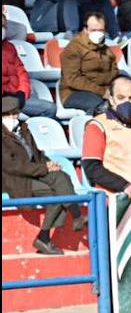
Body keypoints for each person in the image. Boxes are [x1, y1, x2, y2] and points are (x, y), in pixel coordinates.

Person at [2, 95, 85, 255]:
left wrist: (49, 164)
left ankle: (75, 217)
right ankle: (46, 236)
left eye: (15, 113)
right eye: (8, 114)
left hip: (34, 171)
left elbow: (36, 153)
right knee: (57, 194)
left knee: (61, 176)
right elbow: (13, 167)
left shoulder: (23, 128)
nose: (14, 117)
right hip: (16, 180)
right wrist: (44, 168)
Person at [1, 10, 57, 119]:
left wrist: (22, 93)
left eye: (3, 26)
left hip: (16, 97)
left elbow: (22, 72)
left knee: (50, 108)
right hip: (5, 99)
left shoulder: (10, 47)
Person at [59, 13, 118, 114]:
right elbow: (73, 79)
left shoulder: (106, 49)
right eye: (94, 30)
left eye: (101, 30)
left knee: (130, 102)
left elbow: (114, 72)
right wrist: (102, 92)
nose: (98, 33)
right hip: (74, 93)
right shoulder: (74, 48)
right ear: (85, 29)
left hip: (104, 90)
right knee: (100, 105)